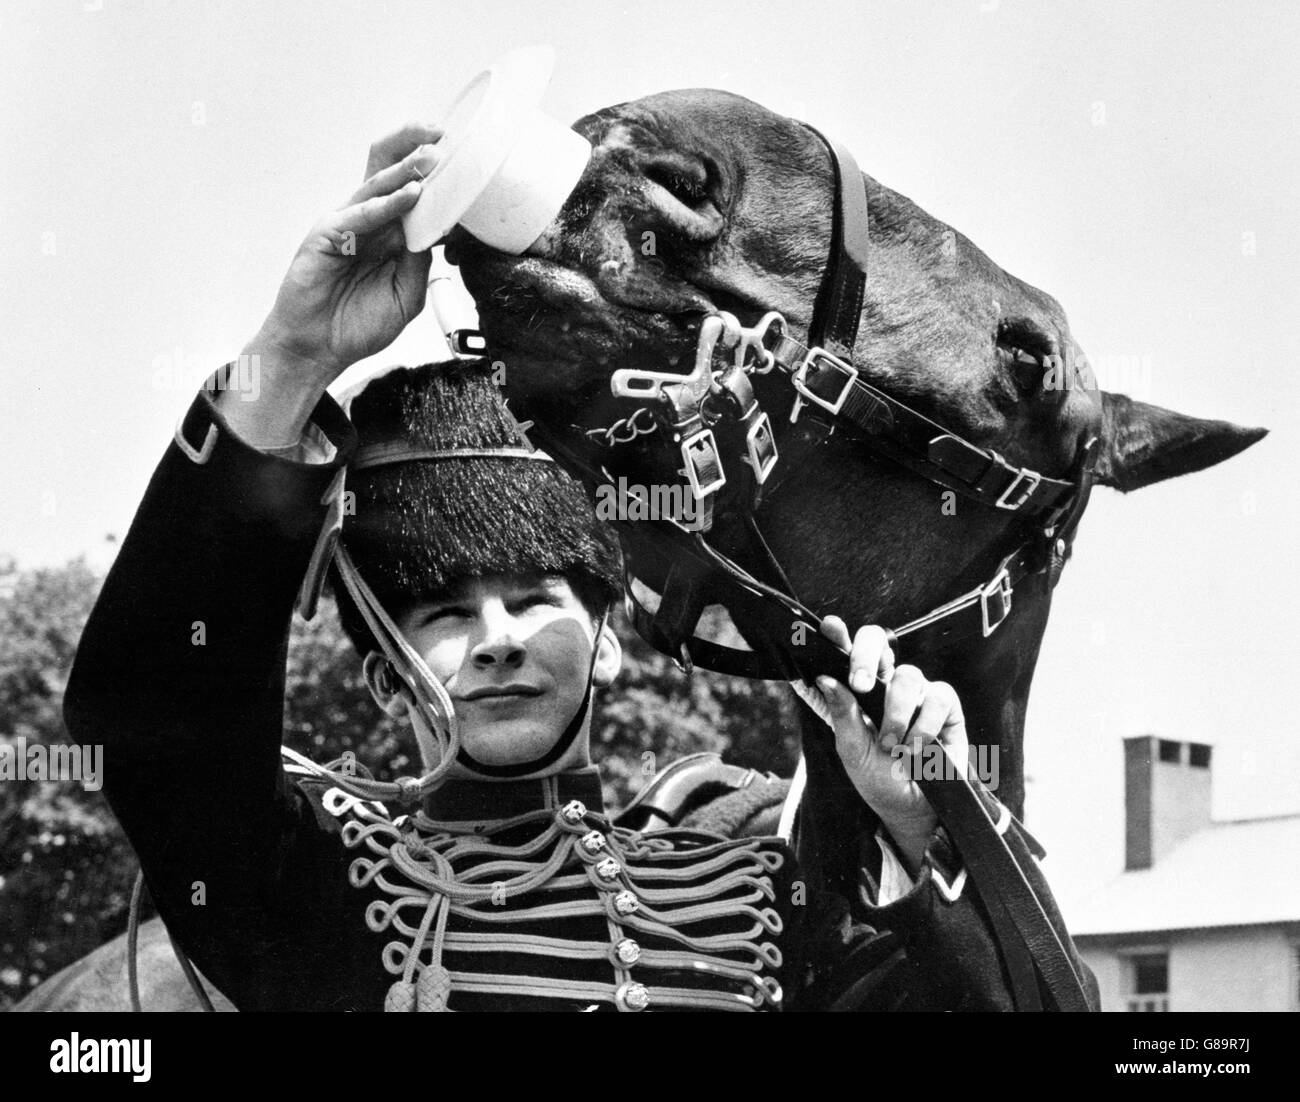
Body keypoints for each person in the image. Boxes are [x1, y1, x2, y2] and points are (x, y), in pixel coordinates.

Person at [65, 124, 1095, 1012]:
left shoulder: (762, 903)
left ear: (606, 644)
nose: (500, 639)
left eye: (533, 597)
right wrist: (292, 357)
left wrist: (927, 820)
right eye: (445, 615)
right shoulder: (306, 887)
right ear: (383, 678)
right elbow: (156, 715)